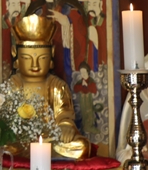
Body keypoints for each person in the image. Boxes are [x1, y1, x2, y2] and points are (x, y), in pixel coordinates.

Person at [5, 14, 90, 160]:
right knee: (3, 146)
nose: (35, 65)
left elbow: (64, 115)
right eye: (27, 58)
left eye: (42, 58)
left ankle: (39, 152)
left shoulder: (56, 85)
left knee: (81, 147)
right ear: (15, 54)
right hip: (21, 141)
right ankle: (39, 152)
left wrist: (65, 126)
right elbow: (6, 120)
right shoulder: (13, 84)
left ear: (52, 54)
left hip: (50, 139)